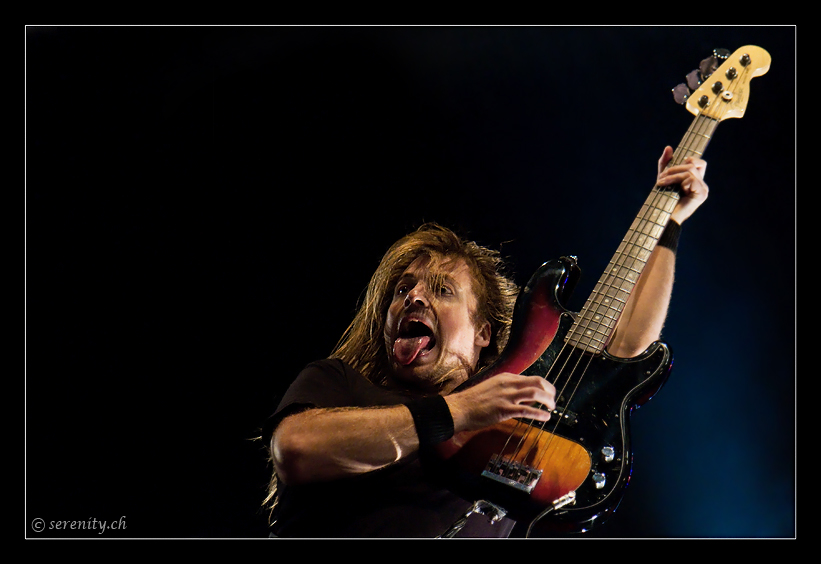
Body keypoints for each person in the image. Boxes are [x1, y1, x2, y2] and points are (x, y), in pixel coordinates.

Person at [260, 146, 708, 538]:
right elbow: (296, 450)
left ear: (483, 333)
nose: (413, 296)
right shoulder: (338, 383)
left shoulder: (508, 427)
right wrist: (459, 412)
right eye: (401, 290)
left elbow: (626, 347)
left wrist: (667, 225)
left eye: (441, 289)